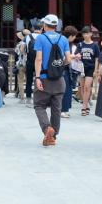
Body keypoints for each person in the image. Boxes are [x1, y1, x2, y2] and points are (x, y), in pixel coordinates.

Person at [32, 14, 71, 146]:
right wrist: (58, 68)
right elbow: (68, 59)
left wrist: (37, 77)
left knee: (39, 105)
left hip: (44, 78)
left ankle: (47, 128)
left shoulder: (41, 38)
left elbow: (38, 59)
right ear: (56, 26)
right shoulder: (64, 39)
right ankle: (53, 136)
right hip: (59, 79)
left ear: (44, 25)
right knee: (56, 109)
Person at [78, 26, 100, 116]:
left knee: (87, 87)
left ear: (91, 34)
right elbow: (77, 55)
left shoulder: (94, 45)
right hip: (82, 68)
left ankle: (83, 106)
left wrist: (96, 70)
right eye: (84, 33)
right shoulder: (80, 45)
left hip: (91, 68)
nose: (85, 35)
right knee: (82, 87)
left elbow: (97, 58)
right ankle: (86, 104)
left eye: (87, 33)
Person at [61, 25, 79, 118]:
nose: (75, 38)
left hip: (63, 69)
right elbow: (65, 58)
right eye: (74, 36)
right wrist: (73, 56)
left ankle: (64, 109)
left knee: (66, 89)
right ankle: (63, 109)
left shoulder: (62, 41)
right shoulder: (64, 43)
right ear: (71, 36)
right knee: (65, 89)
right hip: (63, 69)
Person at [14, 31, 27, 103]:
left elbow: (17, 53)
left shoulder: (20, 44)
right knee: (28, 81)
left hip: (21, 63)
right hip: (28, 63)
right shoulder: (30, 42)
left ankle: (22, 97)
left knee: (20, 81)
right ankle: (24, 94)